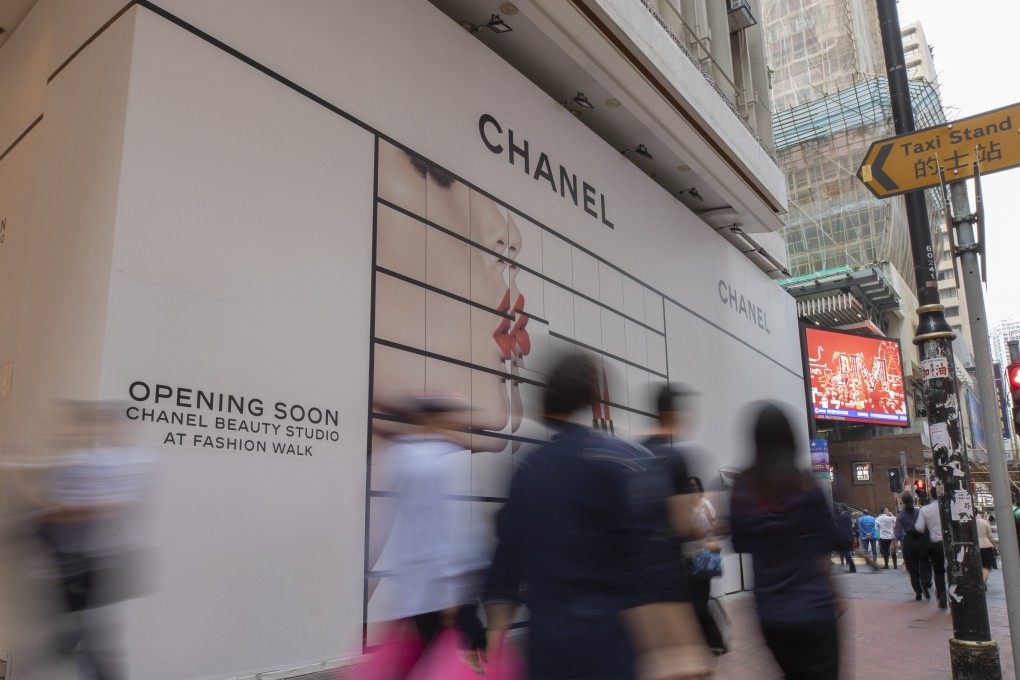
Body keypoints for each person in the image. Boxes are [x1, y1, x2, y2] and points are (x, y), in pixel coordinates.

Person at [484, 354, 711, 680]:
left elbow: (505, 564)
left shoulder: (528, 469)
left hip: (546, 649)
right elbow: (652, 563)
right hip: (606, 646)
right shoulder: (619, 462)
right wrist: (680, 645)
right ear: (595, 399)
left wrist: (495, 638)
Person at [730, 402, 848, 680]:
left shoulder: (744, 487)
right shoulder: (805, 484)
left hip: (771, 612)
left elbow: (739, 543)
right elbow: (831, 540)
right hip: (814, 608)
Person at [372, 392, 488, 671]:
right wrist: (453, 594)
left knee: (426, 659)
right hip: (444, 586)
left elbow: (390, 526)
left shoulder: (398, 456)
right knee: (463, 660)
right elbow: (455, 528)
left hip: (412, 587)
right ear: (436, 420)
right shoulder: (445, 459)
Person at [641, 384, 725, 654]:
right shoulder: (674, 458)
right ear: (671, 414)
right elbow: (683, 524)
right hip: (671, 571)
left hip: (642, 572)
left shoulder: (639, 452)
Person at [915, 487, 947, 609]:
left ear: (931, 495)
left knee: (938, 570)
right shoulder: (948, 505)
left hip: (936, 542)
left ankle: (941, 592)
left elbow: (919, 527)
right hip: (948, 542)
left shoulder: (925, 509)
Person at [896, 493, 930, 601]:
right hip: (921, 539)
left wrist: (899, 541)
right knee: (924, 563)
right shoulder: (919, 512)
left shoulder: (900, 515)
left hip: (909, 541)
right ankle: (925, 583)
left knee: (912, 568)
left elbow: (898, 532)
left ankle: (918, 591)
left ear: (903, 502)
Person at [977, 512, 998, 584]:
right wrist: (994, 545)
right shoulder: (984, 522)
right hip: (985, 546)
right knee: (986, 566)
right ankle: (983, 582)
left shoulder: (967, 522)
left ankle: (978, 582)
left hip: (972, 547)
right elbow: (989, 535)